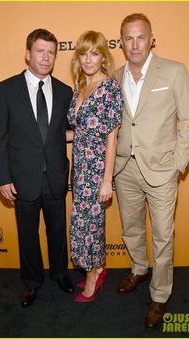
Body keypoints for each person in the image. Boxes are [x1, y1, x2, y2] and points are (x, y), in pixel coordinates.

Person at [114, 14, 189, 329]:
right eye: (128, 38)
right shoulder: (115, 75)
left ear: (151, 39)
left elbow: (188, 121)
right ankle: (138, 269)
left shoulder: (174, 72)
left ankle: (160, 295)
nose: (135, 44)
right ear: (121, 42)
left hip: (162, 170)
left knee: (163, 237)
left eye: (140, 37)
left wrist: (178, 164)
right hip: (125, 170)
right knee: (131, 228)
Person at [0, 28, 75, 308]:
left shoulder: (64, 91)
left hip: (55, 176)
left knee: (57, 232)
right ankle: (31, 283)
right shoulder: (6, 89)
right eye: (40, 51)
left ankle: (61, 273)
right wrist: (2, 178)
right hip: (21, 178)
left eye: (51, 52)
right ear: (28, 54)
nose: (46, 57)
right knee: (27, 234)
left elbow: (69, 130)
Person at [66, 31, 124, 302]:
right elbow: (78, 131)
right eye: (84, 53)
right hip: (79, 170)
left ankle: (94, 274)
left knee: (91, 226)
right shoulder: (80, 87)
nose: (88, 59)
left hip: (97, 170)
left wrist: (106, 179)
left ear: (103, 57)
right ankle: (96, 268)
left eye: (95, 53)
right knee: (82, 224)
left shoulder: (109, 88)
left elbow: (111, 137)